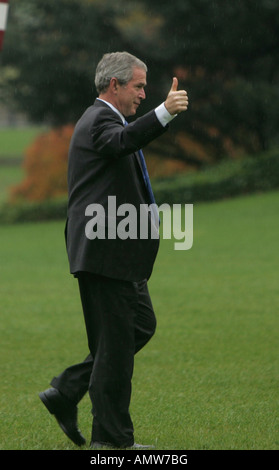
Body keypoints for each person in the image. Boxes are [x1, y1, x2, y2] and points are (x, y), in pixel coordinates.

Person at [39, 51, 188, 449]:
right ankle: (112, 443)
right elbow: (122, 142)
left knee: (136, 328)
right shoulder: (101, 120)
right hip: (105, 255)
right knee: (115, 351)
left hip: (115, 256)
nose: (143, 93)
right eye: (138, 86)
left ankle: (68, 390)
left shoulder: (108, 120)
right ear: (114, 85)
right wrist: (164, 113)